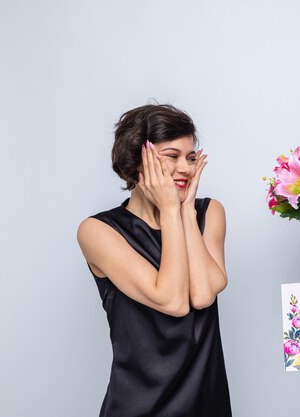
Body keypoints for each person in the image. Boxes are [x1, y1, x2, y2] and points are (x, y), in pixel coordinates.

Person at [77, 104, 232, 417]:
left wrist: (185, 212)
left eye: (190, 157)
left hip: (206, 404)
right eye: (172, 156)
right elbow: (173, 300)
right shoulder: (98, 231)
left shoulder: (207, 213)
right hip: (139, 407)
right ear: (137, 162)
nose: (186, 168)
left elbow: (202, 296)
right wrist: (172, 211)